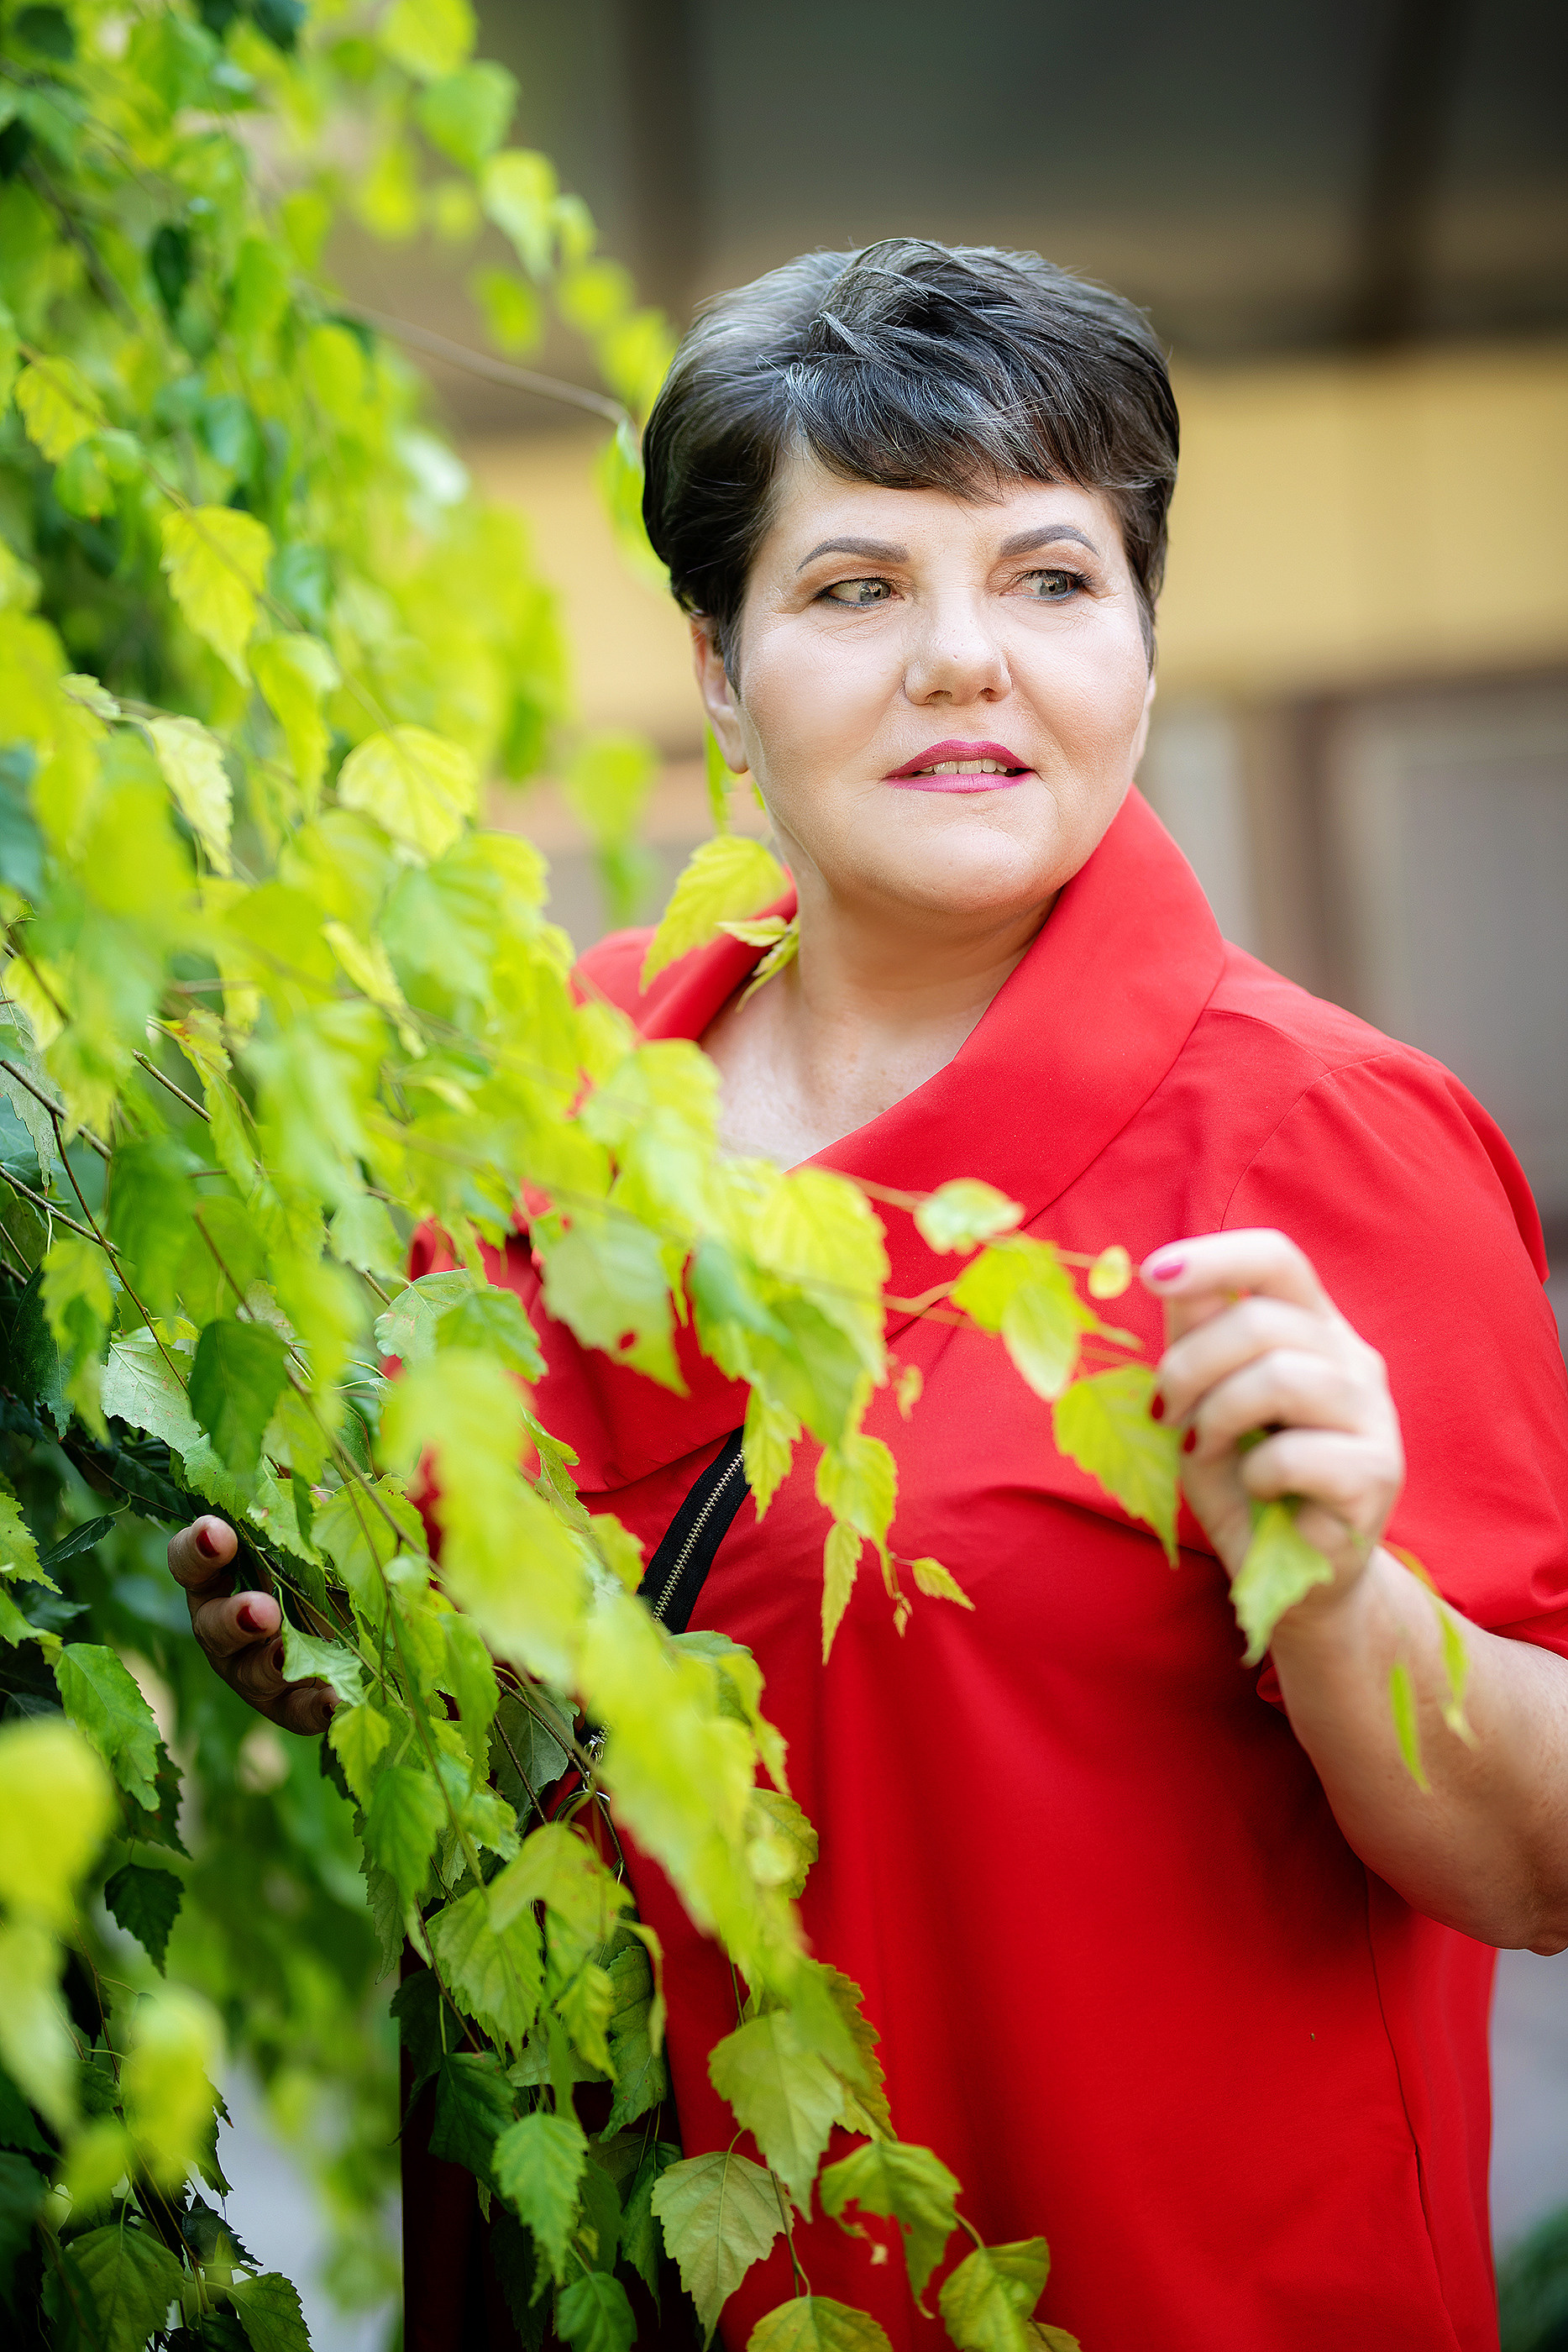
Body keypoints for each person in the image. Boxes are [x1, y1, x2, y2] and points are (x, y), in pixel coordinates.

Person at [168, 242, 1568, 2352]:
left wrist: (1348, 1586)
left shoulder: (1322, 1137)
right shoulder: (544, 1110)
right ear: (718, 665)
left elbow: (1540, 1858)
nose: (960, 662)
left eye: (1047, 577)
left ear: (1144, 646)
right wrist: (368, 1668)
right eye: (852, 588)